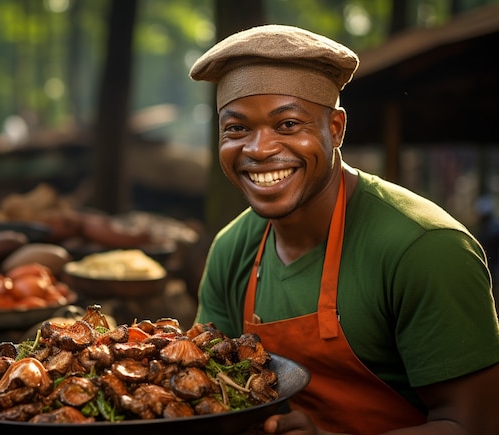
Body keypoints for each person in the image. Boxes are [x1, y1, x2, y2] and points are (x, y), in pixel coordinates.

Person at [189, 24, 499, 434]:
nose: (258, 149)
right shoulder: (232, 249)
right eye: (236, 129)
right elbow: (211, 394)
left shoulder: (424, 248)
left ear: (335, 129)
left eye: (287, 125)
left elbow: (473, 425)